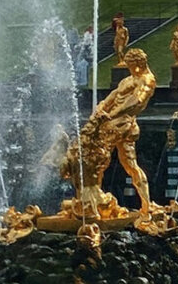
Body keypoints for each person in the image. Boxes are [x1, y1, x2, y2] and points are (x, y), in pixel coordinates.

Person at [58, 47, 157, 221]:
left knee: (95, 155)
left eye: (132, 65)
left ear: (140, 63)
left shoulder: (147, 80)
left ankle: (92, 198)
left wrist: (111, 115)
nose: (130, 69)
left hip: (122, 124)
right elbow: (113, 96)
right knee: (130, 165)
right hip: (114, 122)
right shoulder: (128, 79)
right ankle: (144, 205)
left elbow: (136, 101)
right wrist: (101, 108)